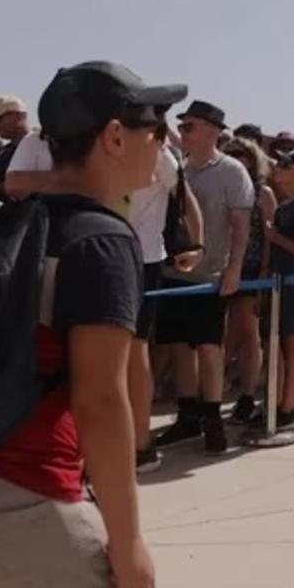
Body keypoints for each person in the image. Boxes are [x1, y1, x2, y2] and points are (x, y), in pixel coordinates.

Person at [0, 62, 185, 588]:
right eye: (155, 129)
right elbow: (100, 401)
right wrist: (128, 539)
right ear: (115, 136)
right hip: (30, 500)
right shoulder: (103, 241)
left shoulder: (10, 226)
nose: (161, 143)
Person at [154, 100, 253, 455]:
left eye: (190, 126)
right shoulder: (174, 166)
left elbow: (241, 226)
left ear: (212, 130)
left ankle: (213, 419)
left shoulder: (232, 171)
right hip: (173, 273)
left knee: (211, 347)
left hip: (210, 274)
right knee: (180, 346)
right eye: (182, 127)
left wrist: (235, 268)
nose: (184, 132)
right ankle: (188, 414)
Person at [127, 139, 202, 474]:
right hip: (98, 249)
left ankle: (142, 444)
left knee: (135, 348)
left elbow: (185, 198)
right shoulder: (91, 140)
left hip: (143, 258)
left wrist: (195, 244)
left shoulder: (158, 152)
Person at [242, 150, 294, 442]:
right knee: (275, 345)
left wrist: (275, 237)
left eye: (287, 165)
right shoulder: (286, 205)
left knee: (292, 342)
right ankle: (276, 403)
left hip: (293, 283)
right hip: (276, 282)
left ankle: (288, 407)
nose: (279, 169)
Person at [221, 137, 276, 426]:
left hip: (252, 269)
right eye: (228, 152)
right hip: (219, 266)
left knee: (247, 332)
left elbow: (269, 236)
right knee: (223, 334)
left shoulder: (262, 192)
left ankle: (247, 394)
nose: (234, 157)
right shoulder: (221, 184)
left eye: (240, 153)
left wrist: (266, 268)